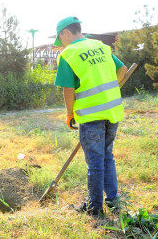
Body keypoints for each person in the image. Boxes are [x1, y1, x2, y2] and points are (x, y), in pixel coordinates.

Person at [53, 17, 127, 215]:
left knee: (94, 161)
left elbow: (68, 89)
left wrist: (70, 114)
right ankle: (113, 202)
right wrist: (107, 91)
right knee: (107, 157)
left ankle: (94, 208)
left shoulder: (68, 54)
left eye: (61, 40)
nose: (62, 45)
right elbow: (122, 70)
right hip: (112, 112)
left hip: (91, 115)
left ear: (65, 33)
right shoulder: (100, 46)